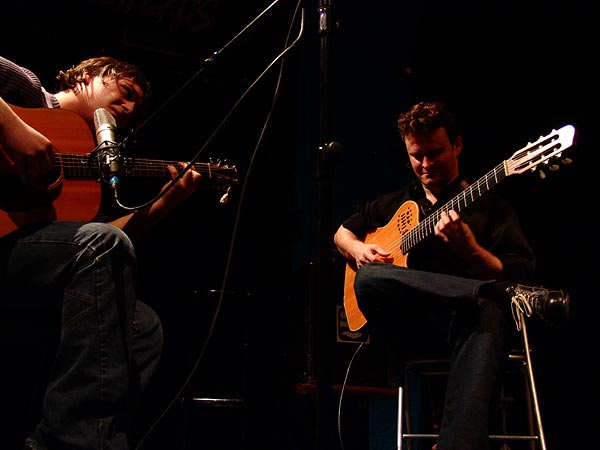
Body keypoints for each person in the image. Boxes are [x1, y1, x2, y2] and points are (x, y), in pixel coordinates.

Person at [333, 100, 570, 450]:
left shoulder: (490, 207)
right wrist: (358, 250)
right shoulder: (396, 201)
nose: (425, 164)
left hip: (469, 332)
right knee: (370, 277)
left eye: (434, 153)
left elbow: (520, 271)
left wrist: (471, 251)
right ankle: (486, 292)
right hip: (411, 329)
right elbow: (341, 233)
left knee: (489, 310)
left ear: (457, 145)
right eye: (416, 155)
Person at [0, 55, 202, 450]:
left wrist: (167, 201)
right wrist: (11, 129)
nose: (128, 110)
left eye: (136, 108)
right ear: (89, 75)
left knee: (142, 327)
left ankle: (61, 440)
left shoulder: (89, 160)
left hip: (21, 258)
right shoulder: (23, 89)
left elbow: (102, 243)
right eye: (125, 93)